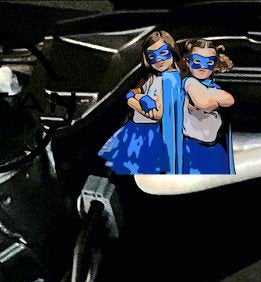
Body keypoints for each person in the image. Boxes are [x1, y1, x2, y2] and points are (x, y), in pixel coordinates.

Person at [97, 29, 186, 174]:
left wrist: (132, 100)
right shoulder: (154, 77)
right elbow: (136, 91)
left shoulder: (170, 80)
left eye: (163, 53)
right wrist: (139, 98)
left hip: (149, 134)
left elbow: (157, 113)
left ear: (172, 51)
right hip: (137, 131)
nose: (158, 59)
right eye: (152, 56)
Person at [180, 40, 235, 174]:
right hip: (192, 146)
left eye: (209, 62)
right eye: (197, 61)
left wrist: (211, 97)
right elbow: (204, 103)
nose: (202, 67)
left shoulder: (210, 85)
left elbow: (229, 99)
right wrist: (215, 100)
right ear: (188, 62)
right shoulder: (190, 82)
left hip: (213, 144)